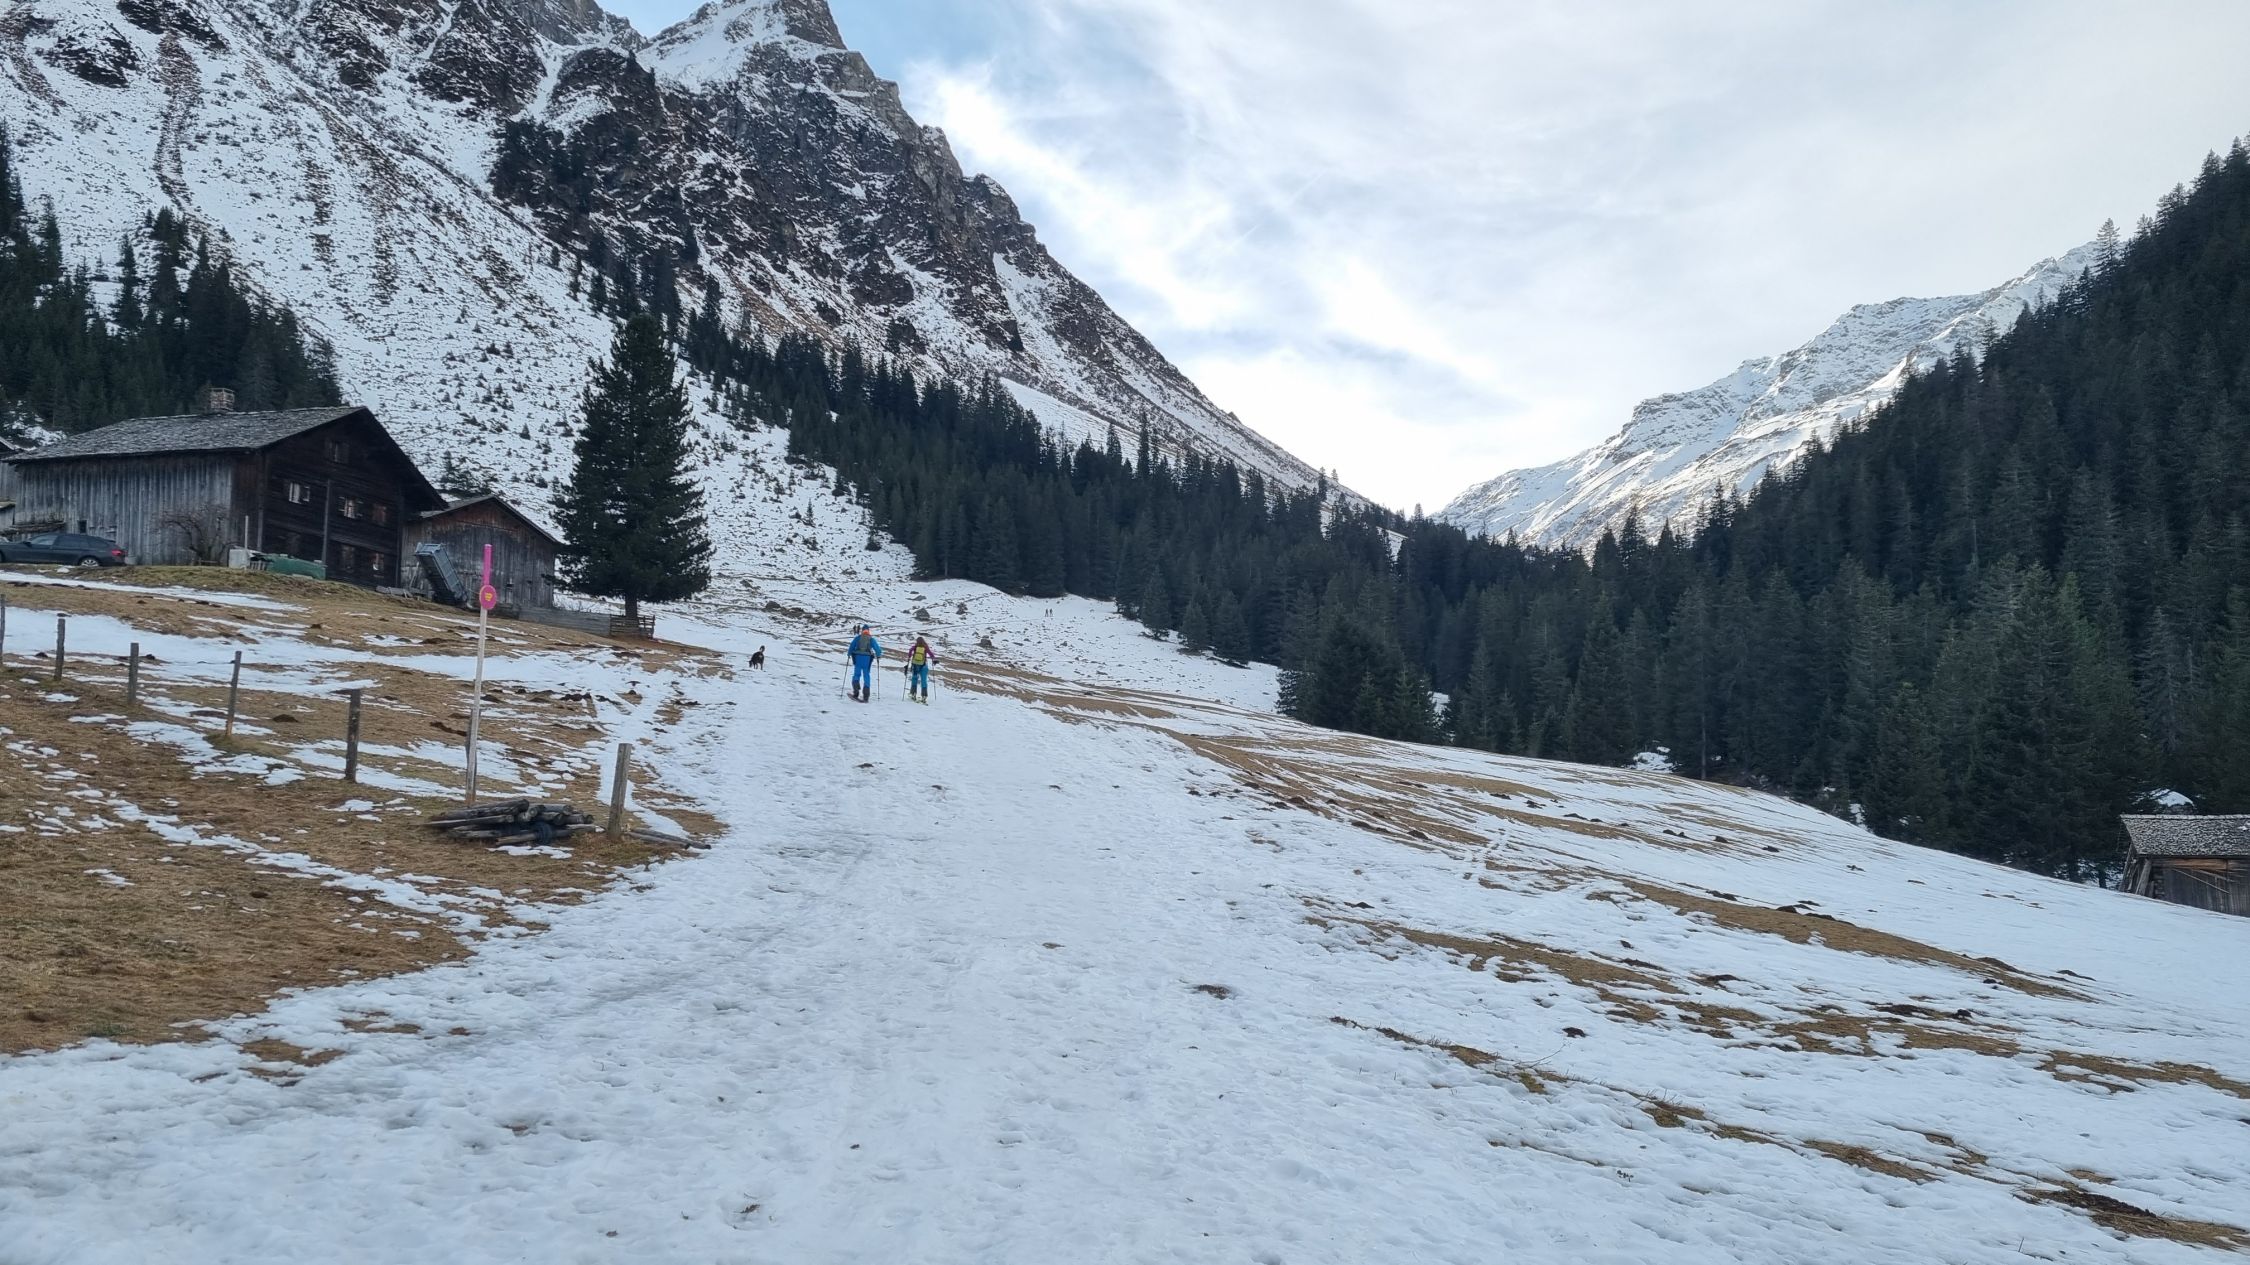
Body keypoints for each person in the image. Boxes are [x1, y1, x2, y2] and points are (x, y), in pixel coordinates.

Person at [845, 625, 883, 702]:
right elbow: (877, 649)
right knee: (866, 675)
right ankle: (866, 696)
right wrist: (878, 655)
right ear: (868, 631)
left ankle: (856, 692)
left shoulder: (858, 638)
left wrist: (849, 654)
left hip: (858, 658)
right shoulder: (871, 639)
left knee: (856, 674)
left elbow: (852, 646)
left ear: (862, 630)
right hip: (867, 659)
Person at [906, 635, 936, 703]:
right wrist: (933, 658)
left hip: (915, 665)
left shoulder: (915, 647)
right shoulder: (925, 647)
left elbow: (910, 650)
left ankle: (913, 694)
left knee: (914, 678)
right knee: (923, 680)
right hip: (923, 665)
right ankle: (924, 696)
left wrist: (909, 657)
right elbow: (931, 654)